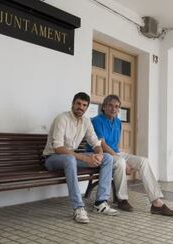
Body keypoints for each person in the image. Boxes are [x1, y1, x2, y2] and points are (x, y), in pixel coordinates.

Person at [90, 94, 173, 216]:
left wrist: (121, 156)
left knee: (143, 161)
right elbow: (102, 145)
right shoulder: (96, 121)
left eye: (116, 106)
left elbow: (115, 144)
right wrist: (122, 159)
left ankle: (157, 203)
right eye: (110, 105)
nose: (113, 109)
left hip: (116, 152)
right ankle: (122, 199)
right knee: (120, 162)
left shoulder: (118, 122)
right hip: (102, 154)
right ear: (104, 107)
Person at [43, 92, 118, 224]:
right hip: (52, 158)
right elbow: (58, 148)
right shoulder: (62, 118)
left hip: (70, 158)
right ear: (73, 103)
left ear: (87, 107)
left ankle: (100, 202)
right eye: (78, 103)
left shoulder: (86, 122)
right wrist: (85, 158)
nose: (81, 107)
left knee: (108, 158)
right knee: (70, 159)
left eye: (84, 105)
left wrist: (99, 154)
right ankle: (78, 207)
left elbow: (96, 143)